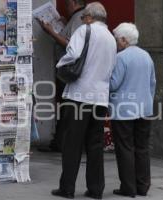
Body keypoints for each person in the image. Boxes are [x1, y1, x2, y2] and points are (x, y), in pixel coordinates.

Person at [51, 3, 117, 199]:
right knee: (95, 145)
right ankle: (96, 189)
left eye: (83, 17)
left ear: (88, 17)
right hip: (100, 97)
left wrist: (60, 66)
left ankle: (67, 188)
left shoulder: (84, 30)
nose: (82, 20)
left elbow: (72, 54)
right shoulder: (111, 37)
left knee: (72, 143)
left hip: (80, 95)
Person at [109, 23, 156, 198]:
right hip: (144, 108)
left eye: (117, 39)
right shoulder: (146, 56)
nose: (116, 43)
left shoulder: (121, 58)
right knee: (142, 148)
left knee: (125, 148)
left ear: (123, 39)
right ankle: (143, 186)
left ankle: (128, 187)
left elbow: (114, 84)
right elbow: (152, 83)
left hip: (123, 110)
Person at [37, 0, 86, 152]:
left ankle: (62, 142)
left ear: (73, 2)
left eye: (67, 4)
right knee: (65, 104)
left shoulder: (79, 18)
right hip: (68, 70)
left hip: (70, 70)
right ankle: (61, 141)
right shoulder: (76, 18)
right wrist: (64, 26)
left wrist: (51, 31)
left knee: (67, 105)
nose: (65, 7)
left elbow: (71, 45)